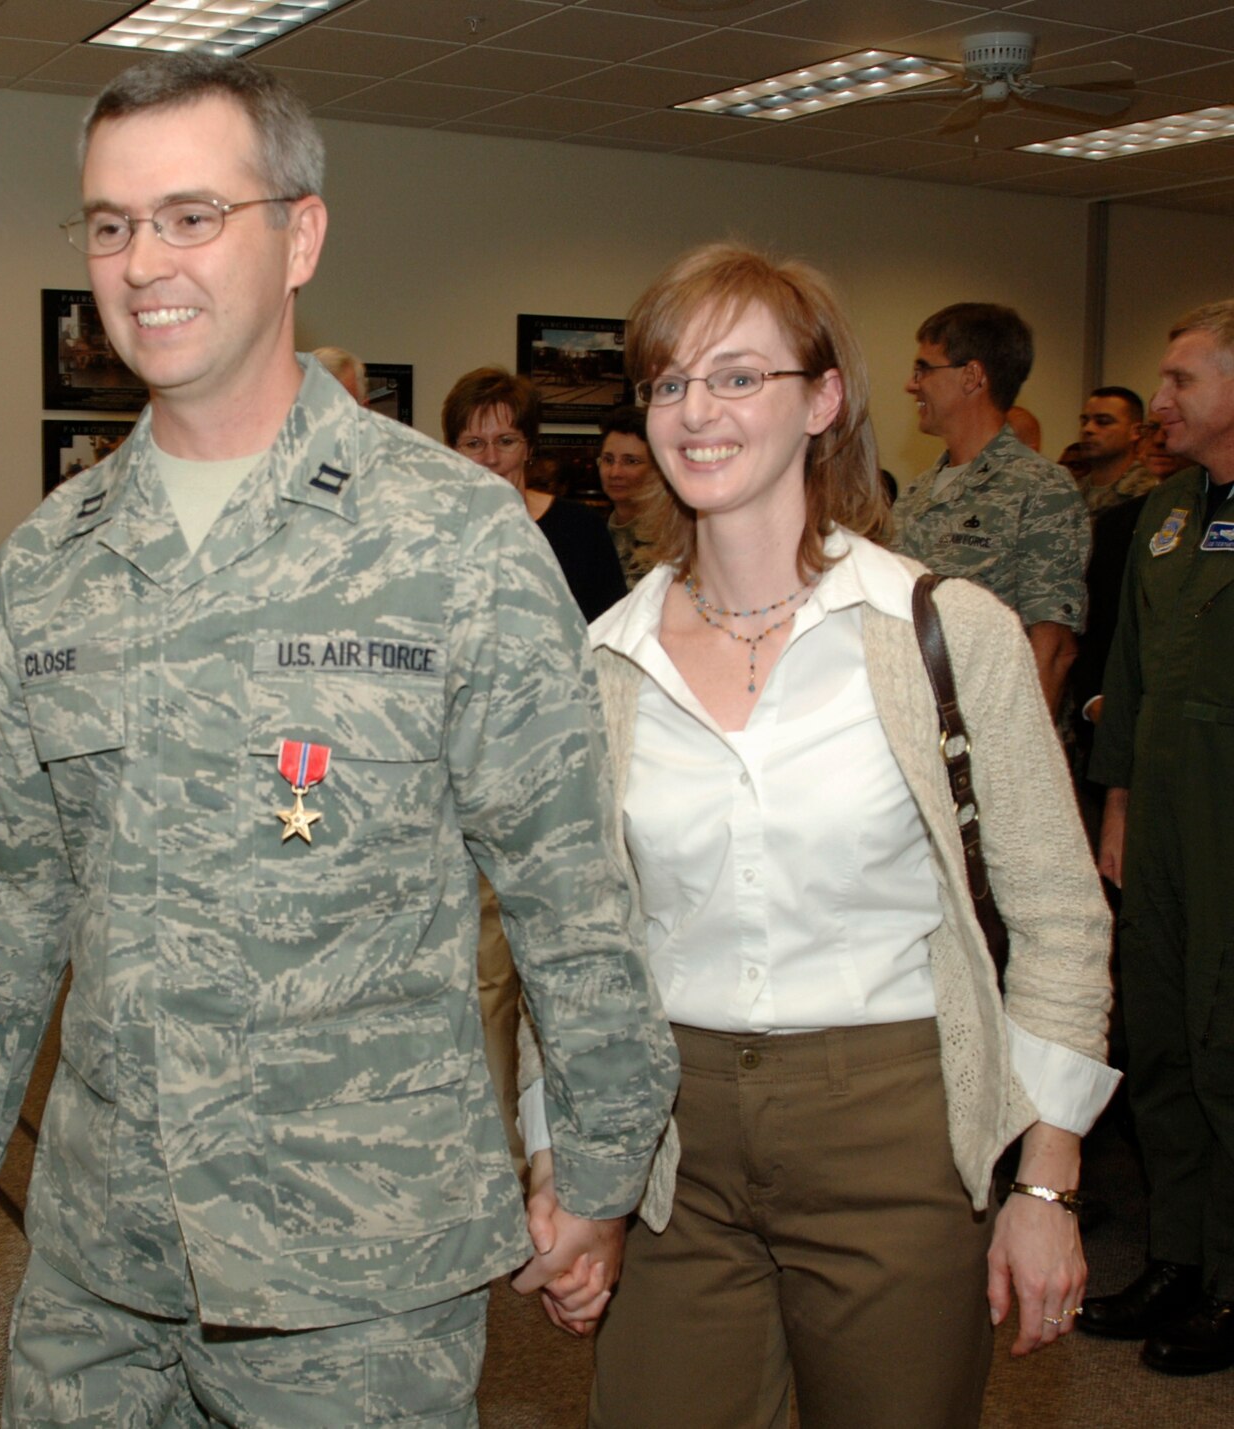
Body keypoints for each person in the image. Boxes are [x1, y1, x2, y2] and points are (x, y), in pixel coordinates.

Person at [0, 55, 676, 1425]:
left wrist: (600, 1161)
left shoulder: (452, 538)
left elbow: (569, 884)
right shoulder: (48, 567)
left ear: (299, 233)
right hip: (100, 1258)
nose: (145, 262)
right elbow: (2, 908)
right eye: (111, 224)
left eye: (192, 215)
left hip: (358, 1268)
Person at [518, 244, 1117, 1426]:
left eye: (738, 377)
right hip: (669, 1138)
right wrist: (558, 1163)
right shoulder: (602, 663)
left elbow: (1055, 914)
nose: (696, 412)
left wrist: (1044, 1180)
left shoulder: (945, 632)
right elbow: (569, 944)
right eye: (669, 381)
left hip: (890, 1123)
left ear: (822, 399)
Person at [1083, 300, 1234, 1377]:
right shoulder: (1165, 512)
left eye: (1181, 377)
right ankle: (1176, 1256)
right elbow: (1125, 677)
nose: (1161, 398)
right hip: (1164, 827)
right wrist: (1118, 811)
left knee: (1227, 1050)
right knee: (1164, 1046)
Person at [890, 302, 1089, 716]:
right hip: (916, 726)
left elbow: (1052, 648)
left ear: (971, 376)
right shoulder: (916, 493)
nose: (912, 385)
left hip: (989, 733)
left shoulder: (1040, 488)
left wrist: (1013, 760)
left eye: (924, 368)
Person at [441, 366, 626, 622]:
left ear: (529, 448)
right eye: (474, 444)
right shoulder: (435, 535)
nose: (491, 458)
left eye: (506, 441)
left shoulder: (583, 531)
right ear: (452, 452)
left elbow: (611, 635)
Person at [596, 405, 658, 588]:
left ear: (659, 469)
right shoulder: (593, 536)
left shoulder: (673, 543)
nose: (615, 472)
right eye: (608, 460)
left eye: (630, 461)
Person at [1076, 385, 1161, 515]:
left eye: (1103, 422)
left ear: (1135, 431)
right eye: (1084, 421)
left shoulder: (1150, 491)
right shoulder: (1072, 491)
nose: (1088, 429)